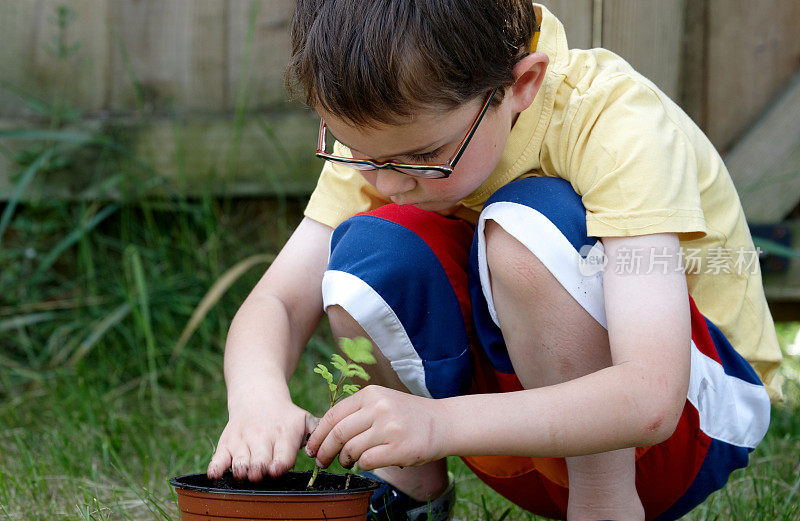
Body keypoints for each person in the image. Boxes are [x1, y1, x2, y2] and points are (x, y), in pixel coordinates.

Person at [206, 2, 783, 520]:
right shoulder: (394, 136)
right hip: (519, 436)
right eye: (358, 153)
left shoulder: (611, 122)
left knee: (527, 222)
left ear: (521, 85)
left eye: (424, 156)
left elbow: (653, 396)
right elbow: (277, 300)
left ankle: (604, 502)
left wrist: (436, 424)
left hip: (682, 432)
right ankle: (409, 489)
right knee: (371, 249)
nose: (386, 180)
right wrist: (258, 400)